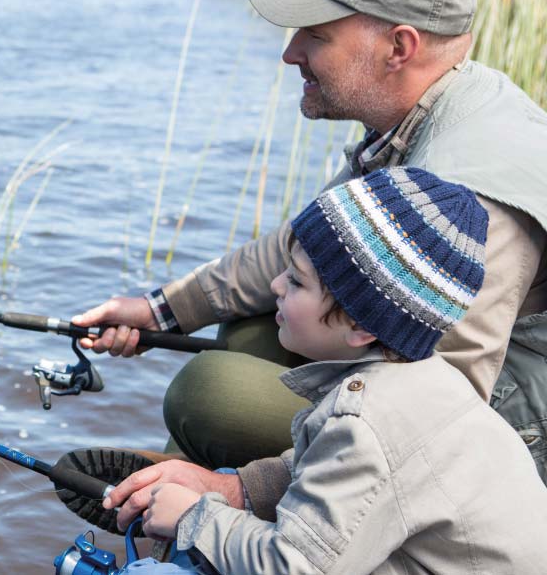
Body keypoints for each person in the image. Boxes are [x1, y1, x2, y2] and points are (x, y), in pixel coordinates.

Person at [62, 0, 547, 532]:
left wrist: (242, 491)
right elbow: (303, 245)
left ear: (399, 47)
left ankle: (204, 494)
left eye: (314, 36)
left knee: (211, 394)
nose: (290, 52)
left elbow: (434, 420)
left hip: (505, 432)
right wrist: (160, 310)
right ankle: (178, 485)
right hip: (429, 389)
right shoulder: (429, 109)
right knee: (249, 330)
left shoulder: (469, 190)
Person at [107, 168, 547, 574]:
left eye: (296, 281)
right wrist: (233, 488)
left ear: (359, 324)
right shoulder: (428, 380)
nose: (276, 286)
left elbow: (295, 567)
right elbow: (334, 472)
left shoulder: (366, 422)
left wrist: (196, 517)